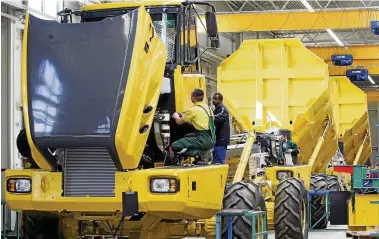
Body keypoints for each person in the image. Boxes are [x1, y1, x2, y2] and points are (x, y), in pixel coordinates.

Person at [171, 88, 216, 164]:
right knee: (187, 136)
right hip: (211, 138)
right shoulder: (209, 109)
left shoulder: (194, 110)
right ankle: (205, 152)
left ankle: (200, 154)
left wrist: (175, 115)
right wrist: (186, 117)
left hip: (203, 139)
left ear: (193, 97)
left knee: (175, 145)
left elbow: (178, 122)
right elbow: (197, 124)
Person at [212, 93, 230, 164]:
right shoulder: (216, 109)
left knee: (220, 160)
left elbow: (219, 117)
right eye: (213, 98)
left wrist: (208, 117)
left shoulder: (222, 109)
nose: (213, 100)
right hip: (218, 138)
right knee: (217, 159)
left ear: (220, 100)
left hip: (221, 139)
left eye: (216, 99)